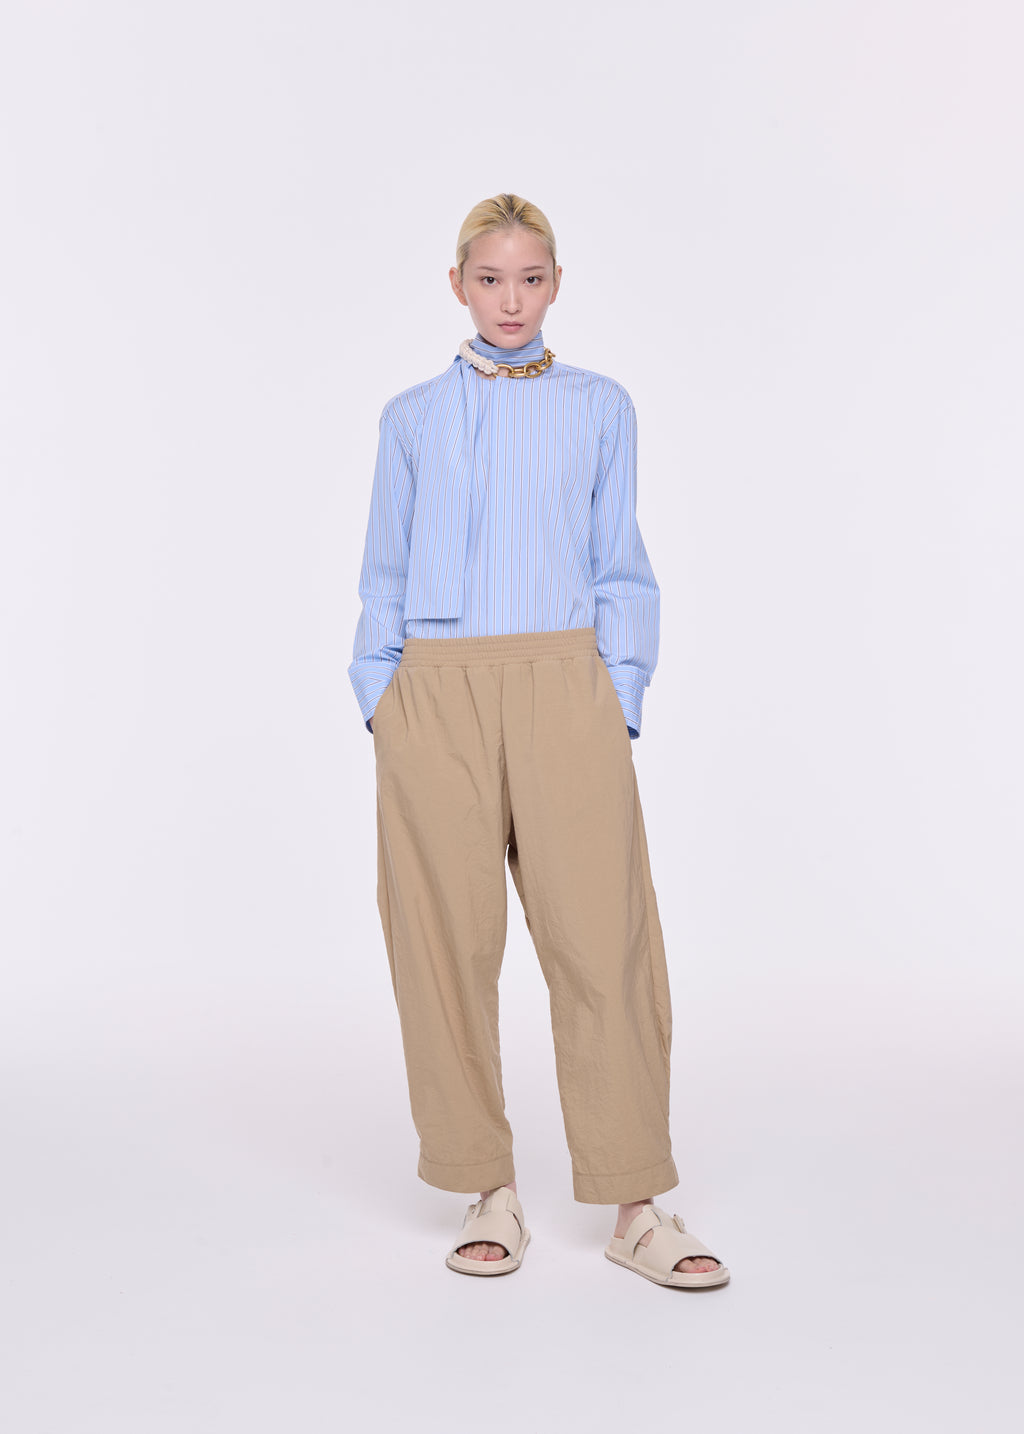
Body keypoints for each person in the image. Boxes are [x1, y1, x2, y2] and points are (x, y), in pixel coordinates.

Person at [349, 194, 728, 1289]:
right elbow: (383, 570)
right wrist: (383, 700)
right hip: (435, 694)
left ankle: (635, 1204)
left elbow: (619, 562)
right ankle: (487, 1187)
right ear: (457, 286)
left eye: (529, 278)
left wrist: (617, 695)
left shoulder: (601, 407)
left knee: (603, 941)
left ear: (556, 283)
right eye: (489, 279)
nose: (509, 300)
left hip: (567, 685)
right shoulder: (410, 419)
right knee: (444, 949)